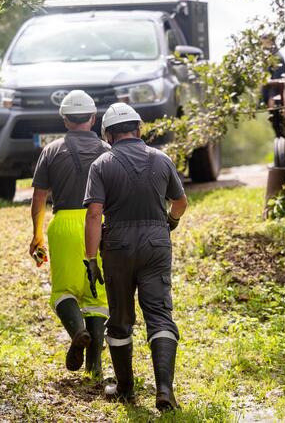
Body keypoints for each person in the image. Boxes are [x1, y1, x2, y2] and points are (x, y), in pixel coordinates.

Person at [82, 102, 189, 411]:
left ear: (108, 135)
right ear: (139, 129)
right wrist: (169, 223)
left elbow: (93, 214)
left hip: (117, 247)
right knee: (159, 314)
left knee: (120, 318)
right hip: (157, 243)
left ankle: (126, 389)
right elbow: (180, 202)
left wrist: (91, 259)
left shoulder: (102, 164)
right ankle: (165, 389)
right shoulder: (161, 159)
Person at [29, 90, 110, 377]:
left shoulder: (51, 150)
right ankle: (95, 366)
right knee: (97, 296)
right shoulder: (106, 150)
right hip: (97, 224)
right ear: (93, 118)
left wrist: (37, 235)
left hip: (62, 224)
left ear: (64, 120)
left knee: (64, 291)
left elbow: (39, 199)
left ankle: (77, 331)